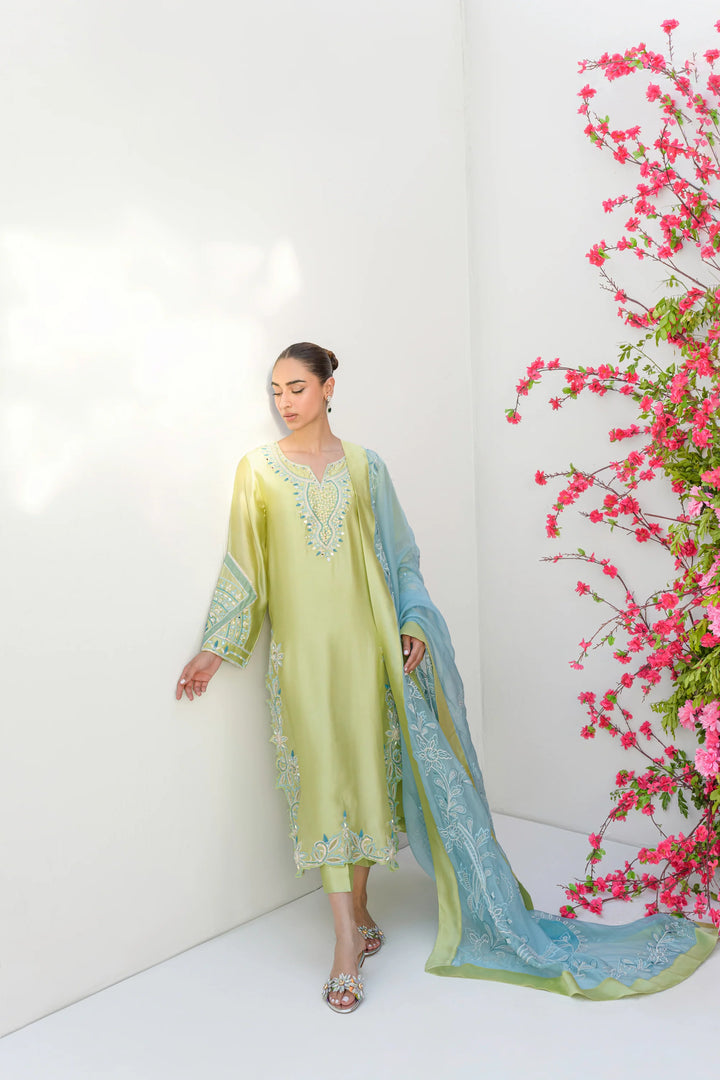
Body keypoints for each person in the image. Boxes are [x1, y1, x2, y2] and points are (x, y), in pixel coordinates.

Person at [177, 342, 716, 1013]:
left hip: (368, 651)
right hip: (302, 658)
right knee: (321, 786)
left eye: (296, 388)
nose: (284, 403)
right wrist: (215, 647)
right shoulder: (255, 471)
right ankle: (347, 941)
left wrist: (412, 625)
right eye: (276, 392)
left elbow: (401, 556)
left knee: (366, 782)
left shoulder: (366, 467)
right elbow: (246, 567)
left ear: (328, 387)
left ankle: (361, 914)